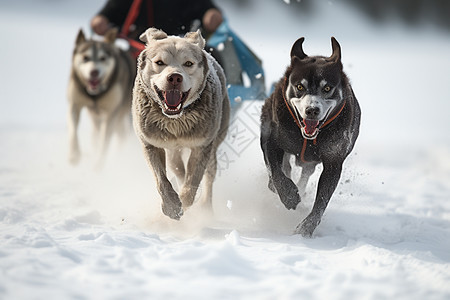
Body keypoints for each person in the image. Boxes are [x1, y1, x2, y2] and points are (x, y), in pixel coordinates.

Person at [91, 0, 223, 41]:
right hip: (141, 50)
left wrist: (211, 16)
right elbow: (109, 13)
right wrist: (100, 21)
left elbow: (207, 9)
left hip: (180, 48)